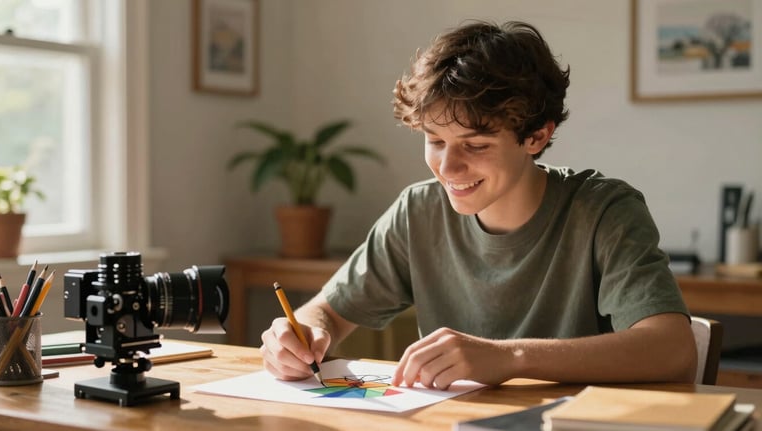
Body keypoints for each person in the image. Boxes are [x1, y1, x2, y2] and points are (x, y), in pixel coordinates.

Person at [260, 20, 697, 390]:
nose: (447, 166)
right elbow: (328, 312)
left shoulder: (605, 211)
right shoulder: (418, 211)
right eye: (435, 141)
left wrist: (510, 358)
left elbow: (673, 349)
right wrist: (303, 333)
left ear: (536, 137)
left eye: (475, 144)